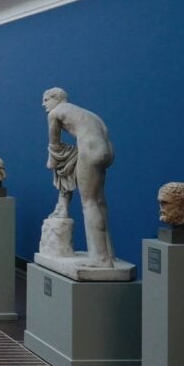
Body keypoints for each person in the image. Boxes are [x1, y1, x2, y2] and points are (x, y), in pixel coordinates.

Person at [43, 87, 115, 267]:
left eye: (46, 99)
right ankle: (109, 252)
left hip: (90, 148)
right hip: (106, 150)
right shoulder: (85, 112)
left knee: (88, 202)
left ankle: (101, 258)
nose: (43, 104)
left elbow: (54, 145)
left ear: (56, 98)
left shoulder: (55, 113)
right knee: (99, 201)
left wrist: (54, 163)